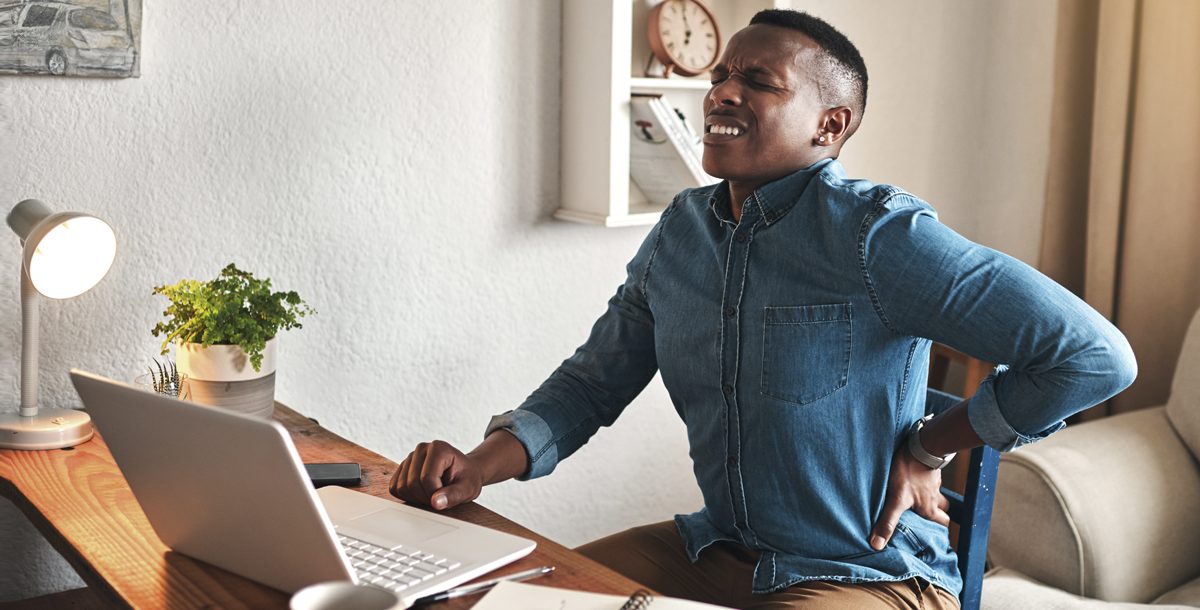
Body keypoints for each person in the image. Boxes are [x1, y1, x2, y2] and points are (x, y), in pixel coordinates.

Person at [390, 9, 1136, 609]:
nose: (721, 93)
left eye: (758, 81)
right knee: (500, 598)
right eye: (720, 76)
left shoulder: (881, 236)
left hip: (867, 575)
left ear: (830, 126)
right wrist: (479, 467)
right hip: (719, 550)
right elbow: (593, 381)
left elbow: (1093, 354)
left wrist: (930, 443)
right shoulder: (680, 230)